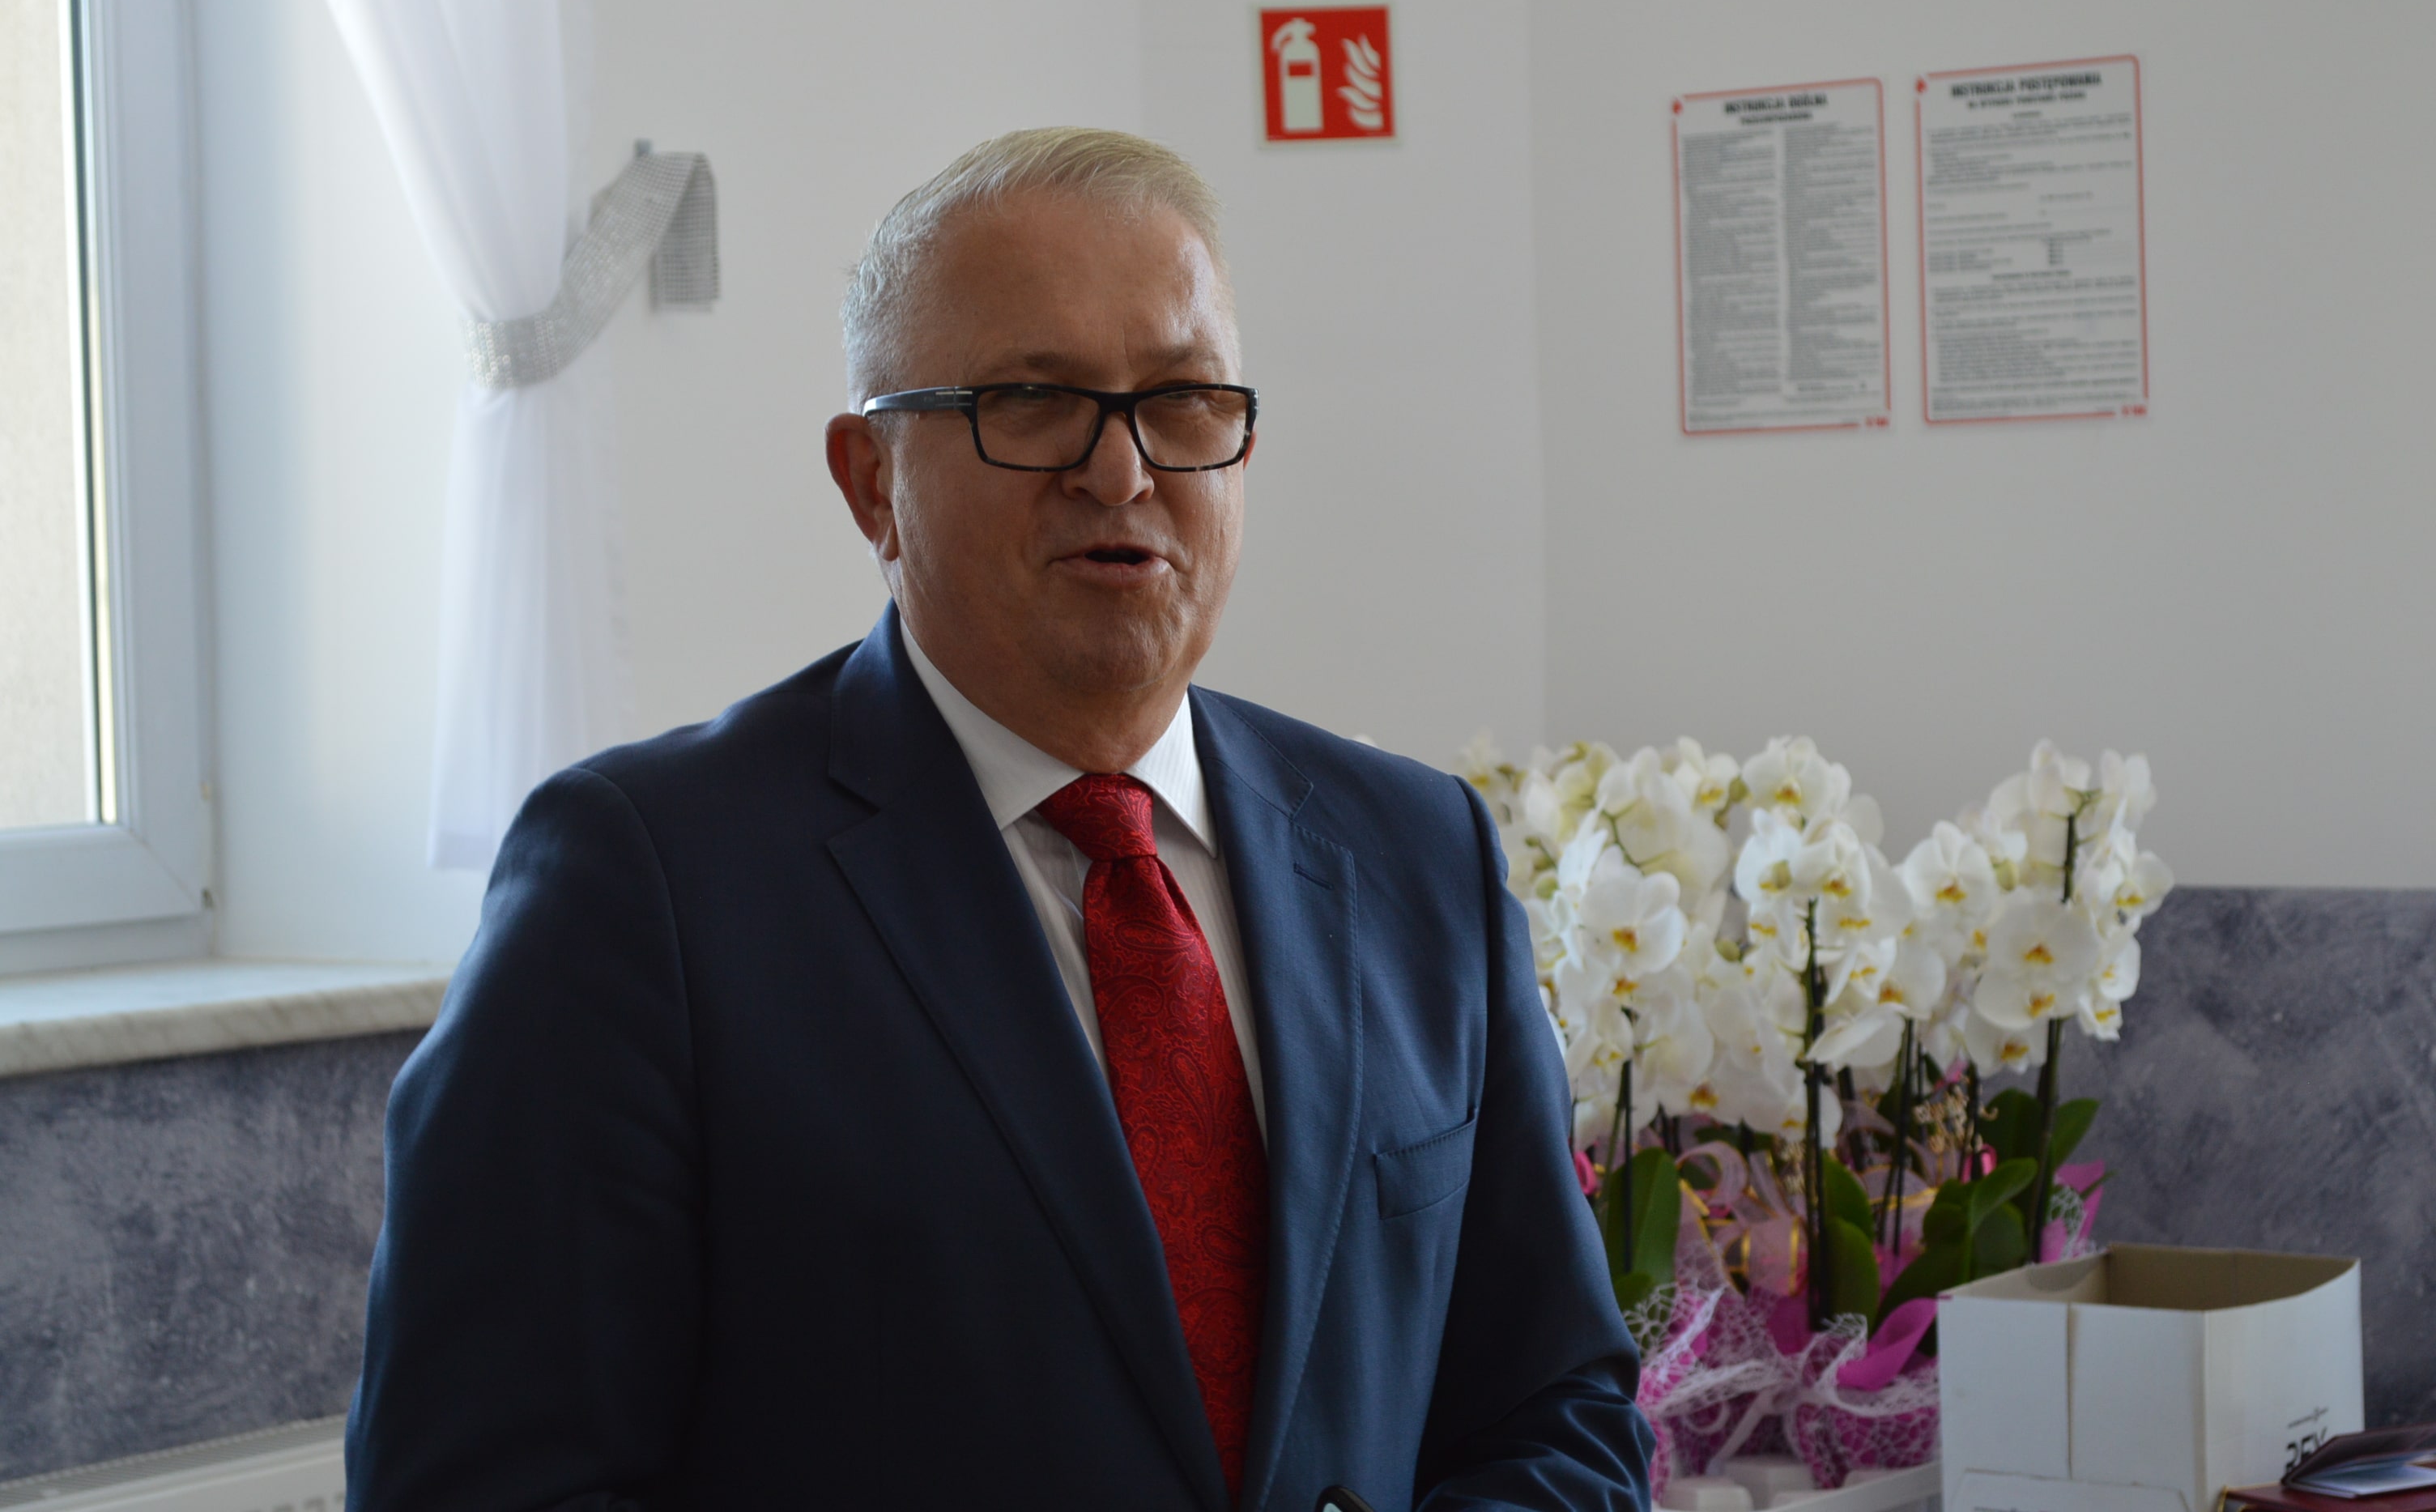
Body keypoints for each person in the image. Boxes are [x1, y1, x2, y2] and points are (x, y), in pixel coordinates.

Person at [347, 128, 1653, 1512]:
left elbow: (1560, 1408)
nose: (1122, 471)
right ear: (872, 481)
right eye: (1032, 400)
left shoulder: (1417, 854)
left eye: (1182, 400)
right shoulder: (646, 887)